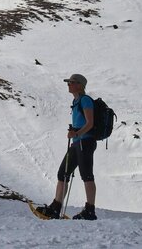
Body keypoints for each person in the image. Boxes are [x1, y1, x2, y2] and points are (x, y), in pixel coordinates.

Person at [34, 73, 98, 220]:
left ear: (80, 85)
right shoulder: (76, 101)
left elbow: (90, 123)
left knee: (87, 175)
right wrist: (75, 134)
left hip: (85, 142)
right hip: (77, 142)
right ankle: (55, 207)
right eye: (68, 82)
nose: (68, 85)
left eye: (71, 82)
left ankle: (90, 210)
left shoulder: (85, 100)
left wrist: (76, 133)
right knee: (62, 173)